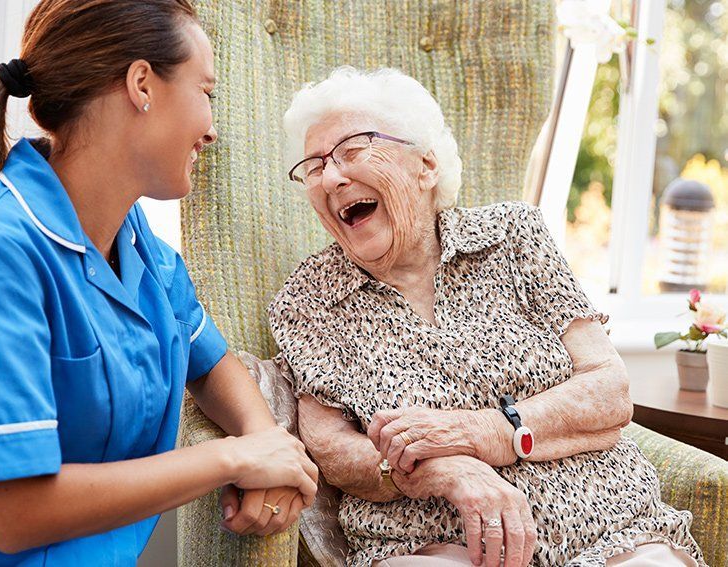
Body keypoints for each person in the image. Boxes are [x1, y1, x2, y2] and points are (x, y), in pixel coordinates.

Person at [0, 1, 317, 564]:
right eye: (205, 92)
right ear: (142, 85)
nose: (211, 129)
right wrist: (235, 459)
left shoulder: (133, 242)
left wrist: (266, 441)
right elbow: (15, 512)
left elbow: (209, 361)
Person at [269, 67, 705, 567]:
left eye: (351, 150)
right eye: (314, 166)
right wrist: (448, 472)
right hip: (431, 541)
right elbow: (333, 451)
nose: (331, 177)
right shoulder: (308, 299)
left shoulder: (513, 236)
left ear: (426, 165)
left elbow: (608, 390)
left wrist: (483, 434)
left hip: (608, 526)